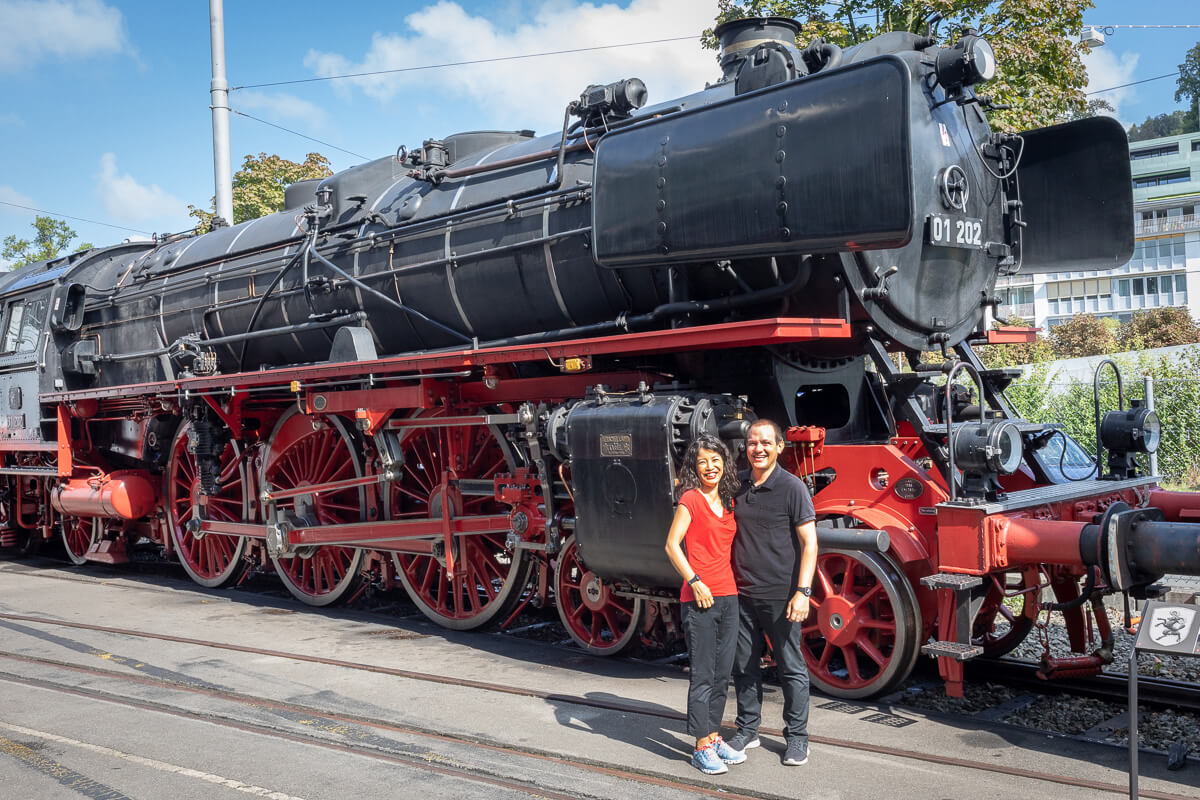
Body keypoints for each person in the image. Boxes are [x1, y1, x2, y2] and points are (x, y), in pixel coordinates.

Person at [726, 418, 818, 767]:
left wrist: (803, 592)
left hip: (782, 594)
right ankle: (747, 730)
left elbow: (810, 543)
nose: (758, 448)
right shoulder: (738, 483)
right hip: (741, 593)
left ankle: (797, 738)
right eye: (752, 443)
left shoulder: (792, 487)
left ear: (780, 446)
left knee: (790, 666)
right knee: (744, 666)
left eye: (766, 442)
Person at [664, 433, 745, 775]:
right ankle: (700, 746)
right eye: (703, 462)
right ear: (695, 468)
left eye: (715, 460)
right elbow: (671, 545)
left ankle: (712, 737)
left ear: (724, 463)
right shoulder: (691, 499)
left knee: (723, 673)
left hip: (729, 596)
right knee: (703, 675)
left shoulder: (728, 501)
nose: (710, 467)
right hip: (698, 597)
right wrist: (694, 581)